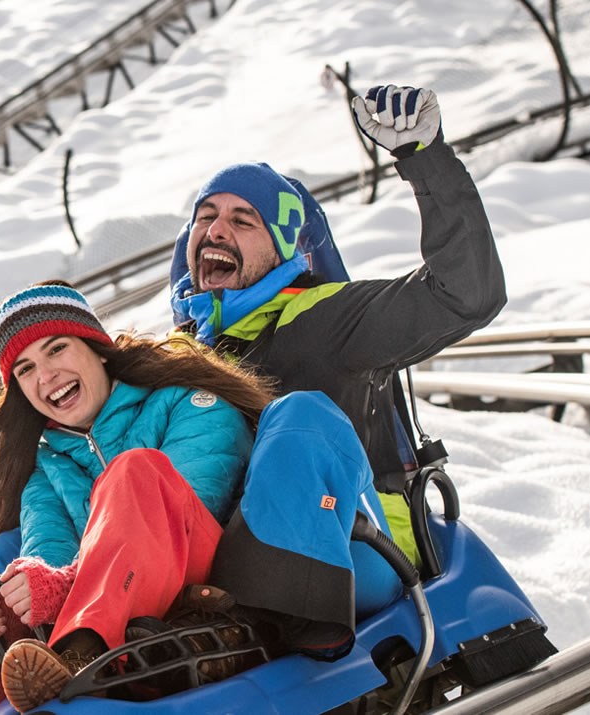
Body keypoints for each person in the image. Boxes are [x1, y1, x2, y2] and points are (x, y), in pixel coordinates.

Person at [0, 280, 401, 714]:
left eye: (56, 348)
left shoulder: (188, 403)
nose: (45, 377)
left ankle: (85, 655)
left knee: (135, 474)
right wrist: (16, 598)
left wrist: (74, 583)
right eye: (23, 369)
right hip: (112, 599)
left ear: (95, 347)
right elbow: (49, 552)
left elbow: (193, 505)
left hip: (217, 575)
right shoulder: (47, 468)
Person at [168, 85, 507, 643]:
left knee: (297, 420)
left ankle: (242, 632)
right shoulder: (182, 357)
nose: (217, 229)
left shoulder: (323, 317)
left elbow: (465, 293)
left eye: (242, 220)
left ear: (281, 250)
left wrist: (426, 160)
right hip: (225, 562)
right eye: (206, 216)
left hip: (360, 544)